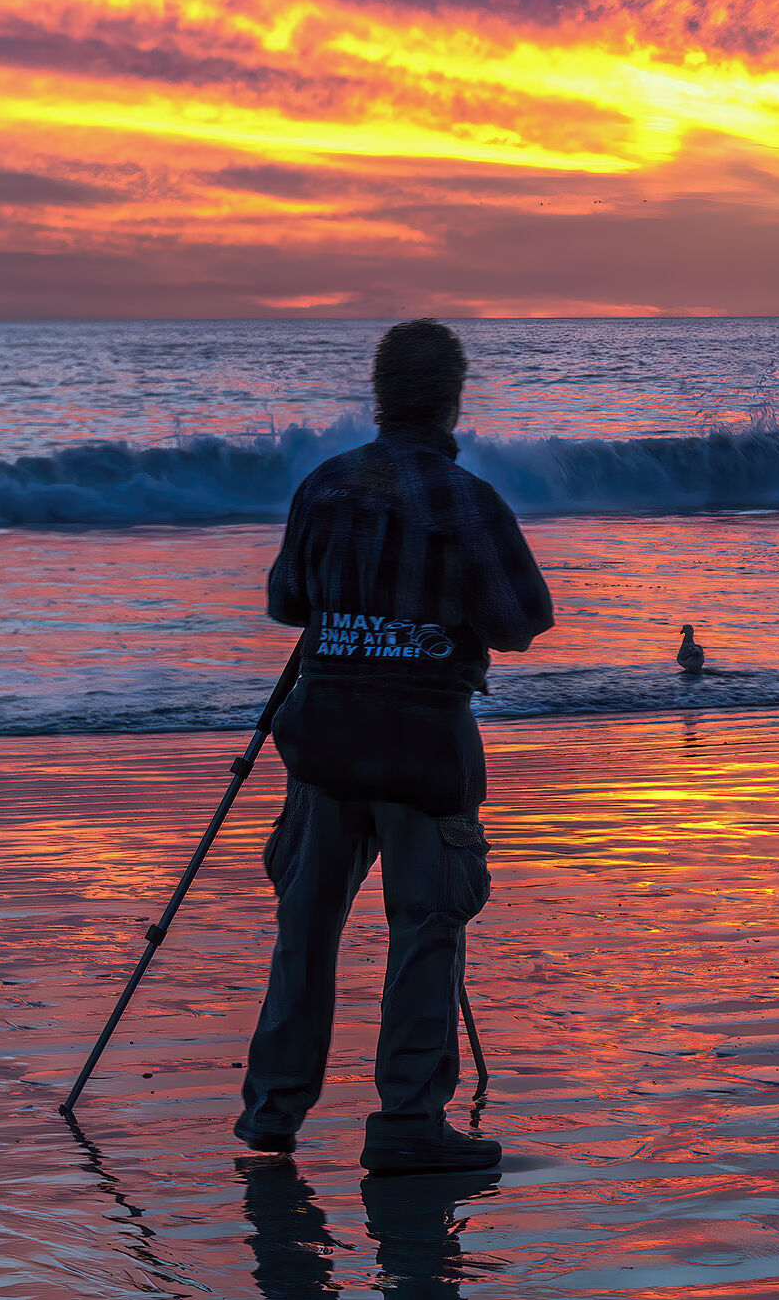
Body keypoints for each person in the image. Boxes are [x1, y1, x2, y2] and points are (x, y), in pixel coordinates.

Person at [235, 319, 554, 1176]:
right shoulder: (466, 500)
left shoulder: (323, 486)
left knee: (306, 926)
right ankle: (408, 1120)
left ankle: (272, 1109)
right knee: (426, 926)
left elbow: (287, 603)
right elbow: (521, 620)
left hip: (325, 734)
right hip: (422, 745)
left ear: (378, 395)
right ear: (454, 397)